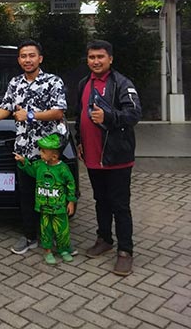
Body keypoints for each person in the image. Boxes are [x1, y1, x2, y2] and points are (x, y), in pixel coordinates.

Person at [0, 39, 68, 255]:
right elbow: (5, 109)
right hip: (23, 152)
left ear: (40, 58)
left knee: (51, 194)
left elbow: (58, 111)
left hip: (47, 154)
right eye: (23, 56)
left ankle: (56, 237)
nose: (27, 60)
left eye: (32, 55)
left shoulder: (53, 81)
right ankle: (30, 236)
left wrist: (30, 115)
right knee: (27, 196)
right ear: (19, 60)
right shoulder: (15, 83)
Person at [75, 39, 142, 276]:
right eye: (92, 57)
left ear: (110, 59)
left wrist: (109, 116)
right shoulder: (84, 83)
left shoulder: (122, 83)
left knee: (120, 205)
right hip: (93, 157)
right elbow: (80, 115)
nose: (96, 61)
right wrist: (80, 141)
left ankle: (125, 251)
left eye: (100, 57)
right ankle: (104, 239)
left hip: (117, 158)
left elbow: (134, 114)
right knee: (100, 201)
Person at [14, 134, 76, 265]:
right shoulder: (39, 166)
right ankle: (47, 251)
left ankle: (63, 249)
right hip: (44, 207)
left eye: (43, 151)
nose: (40, 153)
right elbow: (30, 170)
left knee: (62, 229)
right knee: (45, 229)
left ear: (54, 156)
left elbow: (71, 184)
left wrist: (71, 201)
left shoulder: (63, 169)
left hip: (59, 207)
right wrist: (24, 162)